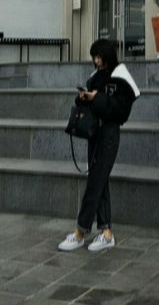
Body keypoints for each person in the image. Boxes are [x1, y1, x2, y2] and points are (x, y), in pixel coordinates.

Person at [58, 38, 140, 253]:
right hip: (94, 133)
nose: (96, 61)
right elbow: (92, 105)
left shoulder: (121, 76)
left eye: (99, 56)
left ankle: (80, 231)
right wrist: (83, 99)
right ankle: (106, 233)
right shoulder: (95, 77)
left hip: (109, 134)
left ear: (106, 55)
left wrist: (97, 99)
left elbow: (122, 111)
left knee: (95, 182)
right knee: (99, 181)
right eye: (94, 57)